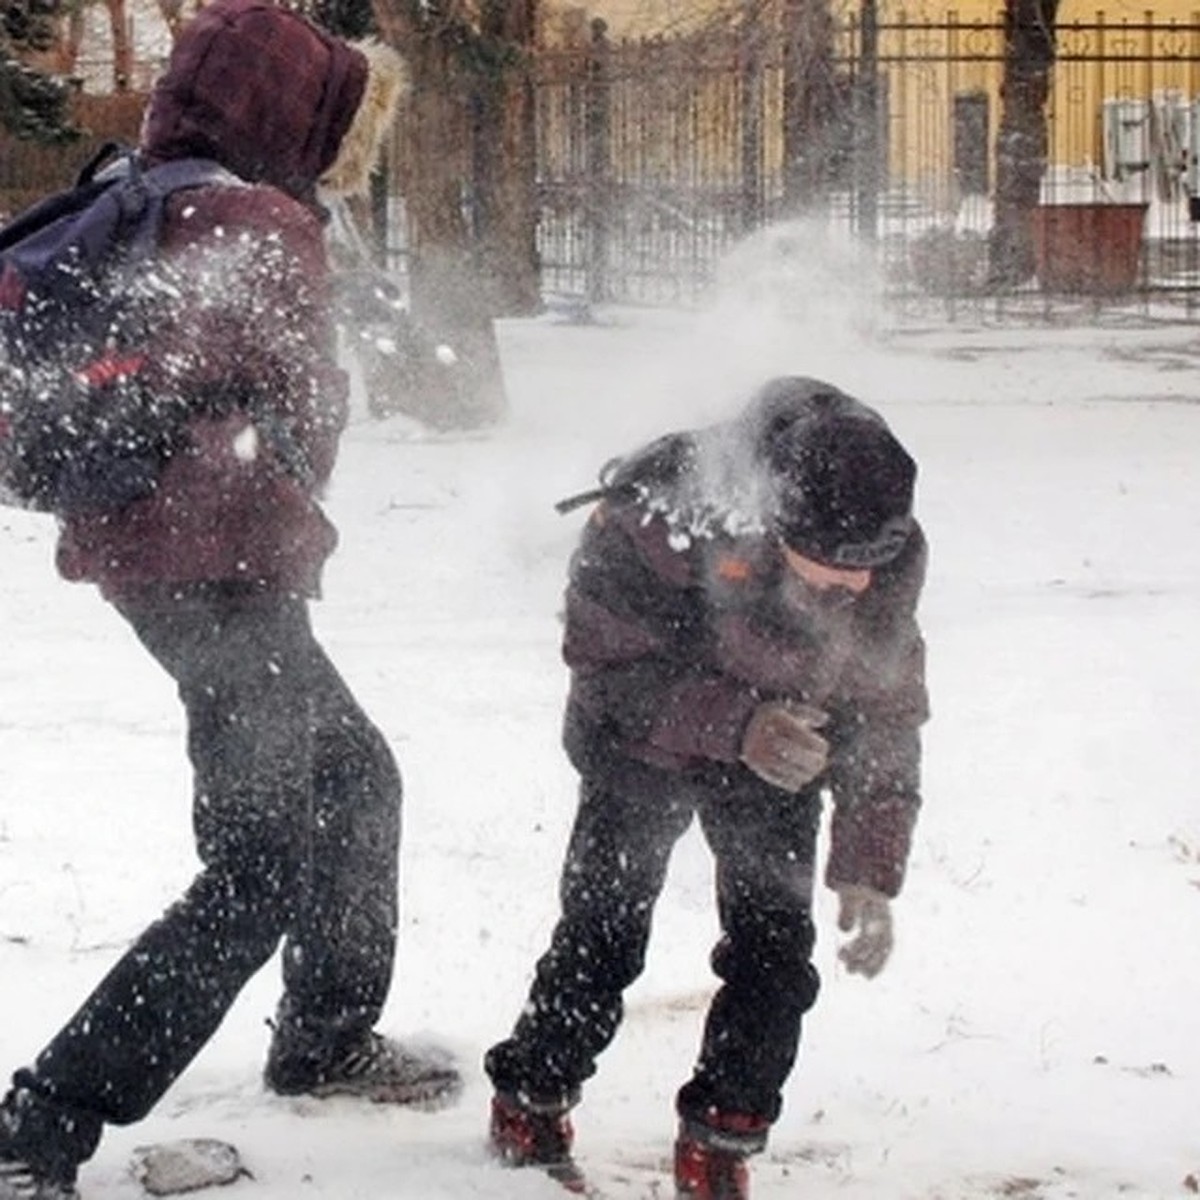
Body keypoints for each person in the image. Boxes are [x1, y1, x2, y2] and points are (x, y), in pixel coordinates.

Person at [0, 4, 458, 1198]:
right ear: (294, 110)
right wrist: (282, 484)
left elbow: (171, 376)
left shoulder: (146, 190)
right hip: (221, 574)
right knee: (260, 864)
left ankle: (324, 1037)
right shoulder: (253, 217)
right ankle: (44, 1120)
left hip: (165, 563)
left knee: (355, 780)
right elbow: (293, 403)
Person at [484, 376, 929, 1200]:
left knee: (774, 953)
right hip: (639, 747)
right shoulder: (659, 515)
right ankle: (531, 1094)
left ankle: (721, 1140)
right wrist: (738, 726)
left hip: (781, 754)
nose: (852, 585)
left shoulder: (883, 547)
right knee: (605, 933)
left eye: (870, 567)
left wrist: (869, 862)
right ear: (777, 517)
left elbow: (885, 709)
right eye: (831, 565)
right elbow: (607, 671)